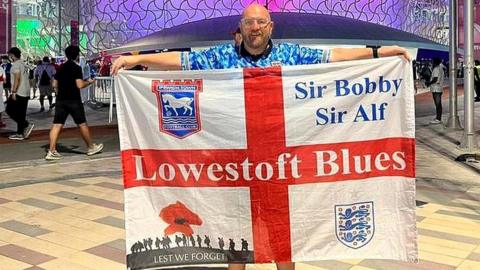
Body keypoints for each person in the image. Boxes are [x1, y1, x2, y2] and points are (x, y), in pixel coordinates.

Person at [111, 4, 411, 270]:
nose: (255, 28)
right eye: (249, 22)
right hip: (234, 163)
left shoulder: (289, 54)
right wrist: (135, 61)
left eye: (261, 23)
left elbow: (334, 56)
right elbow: (181, 61)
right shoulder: (222, 57)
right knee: (236, 230)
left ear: (271, 27)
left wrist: (381, 53)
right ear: (240, 27)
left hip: (278, 163)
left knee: (282, 230)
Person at [45, 45, 103, 160]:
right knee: (82, 124)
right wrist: (89, 82)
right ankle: (91, 147)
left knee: (57, 124)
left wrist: (60, 91)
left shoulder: (61, 68)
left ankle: (51, 150)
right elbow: (80, 85)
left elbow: (54, 84)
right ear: (77, 55)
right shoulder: (76, 68)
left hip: (61, 100)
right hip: (74, 100)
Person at [6, 47, 34, 140]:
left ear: (12, 55)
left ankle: (26, 124)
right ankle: (20, 133)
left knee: (9, 110)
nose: (9, 57)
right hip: (26, 91)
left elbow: (17, 78)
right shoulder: (23, 63)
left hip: (19, 92)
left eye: (10, 55)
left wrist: (14, 92)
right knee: (21, 113)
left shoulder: (16, 65)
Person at [426, 58, 445, 124]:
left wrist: (429, 83)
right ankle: (438, 117)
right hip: (438, 87)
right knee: (438, 104)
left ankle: (438, 119)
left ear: (435, 62)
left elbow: (435, 79)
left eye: (433, 62)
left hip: (436, 88)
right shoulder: (441, 68)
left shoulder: (436, 69)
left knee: (438, 104)